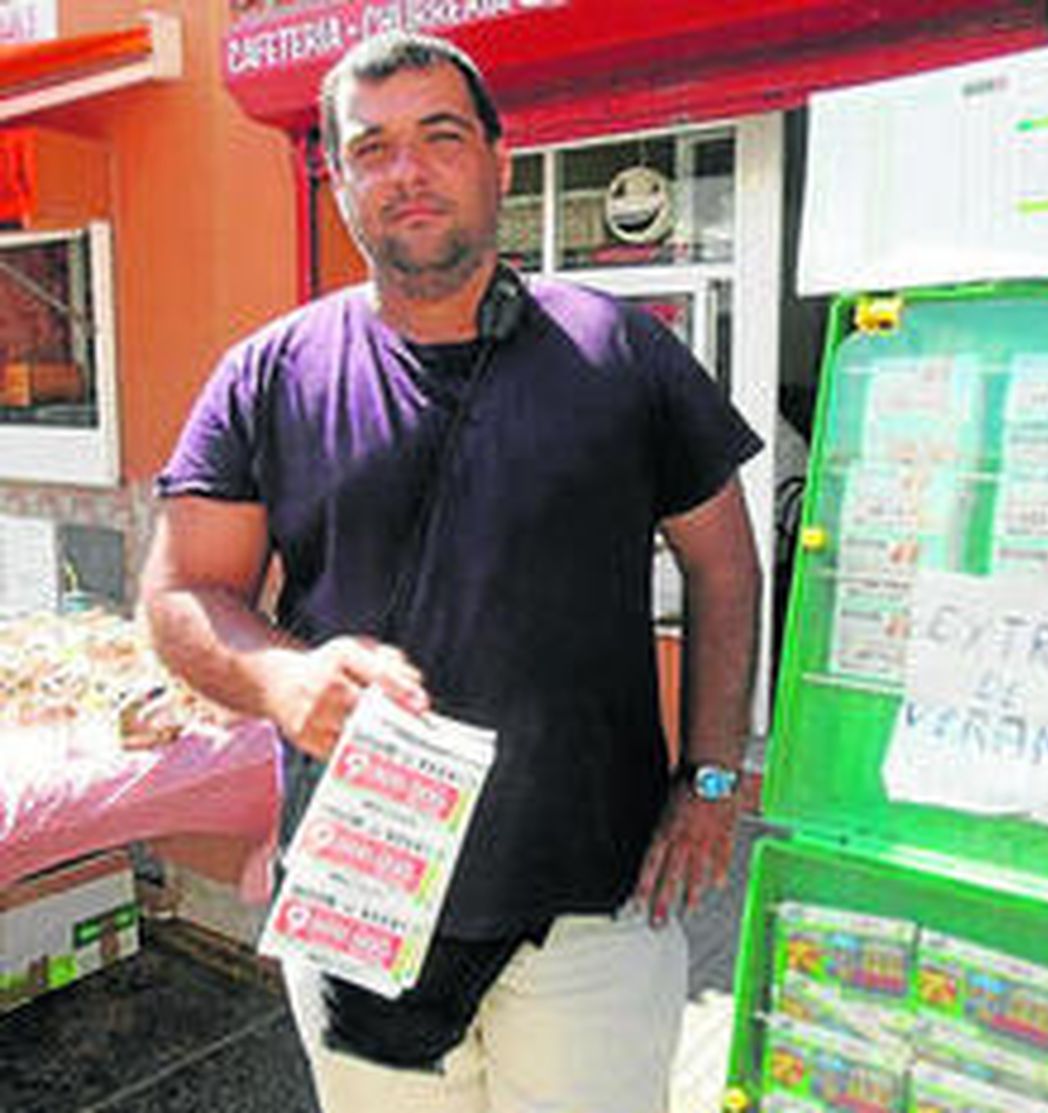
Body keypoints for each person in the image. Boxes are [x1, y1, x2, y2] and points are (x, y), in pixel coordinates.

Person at [140, 30, 762, 1113]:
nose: (408, 171)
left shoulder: (621, 351)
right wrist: (284, 680)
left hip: (591, 907)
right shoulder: (268, 375)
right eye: (370, 148)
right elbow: (181, 594)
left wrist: (711, 778)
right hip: (362, 897)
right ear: (338, 181)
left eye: (439, 136)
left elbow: (724, 561)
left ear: (498, 158)